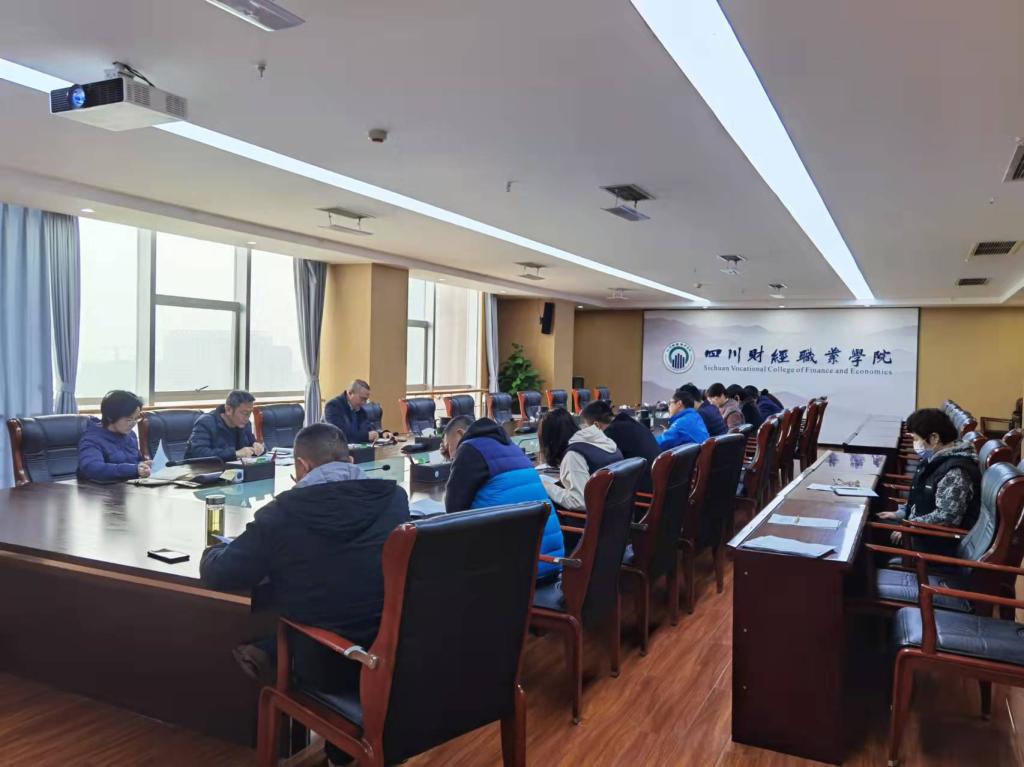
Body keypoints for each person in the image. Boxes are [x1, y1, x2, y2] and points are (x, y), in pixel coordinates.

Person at [200, 422, 409, 767]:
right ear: (349, 459)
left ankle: (273, 653)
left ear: (302, 466)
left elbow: (221, 573)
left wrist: (212, 549)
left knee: (292, 624)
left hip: (327, 664)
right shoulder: (393, 499)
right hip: (391, 652)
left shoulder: (283, 513)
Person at [442, 415, 565, 580]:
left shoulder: (469, 448)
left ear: (460, 433)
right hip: (550, 563)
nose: (450, 455)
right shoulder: (511, 447)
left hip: (514, 573)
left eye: (448, 446)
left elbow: (453, 512)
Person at [877, 408, 981, 555]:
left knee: (869, 532)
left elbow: (946, 517)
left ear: (934, 438)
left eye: (916, 439)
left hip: (934, 542)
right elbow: (921, 496)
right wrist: (900, 513)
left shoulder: (956, 471)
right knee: (875, 517)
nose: (915, 444)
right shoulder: (935, 459)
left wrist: (909, 527)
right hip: (920, 528)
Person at [537, 407, 623, 511]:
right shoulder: (605, 441)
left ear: (550, 439)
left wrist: (545, 486)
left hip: (592, 518)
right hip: (617, 513)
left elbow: (579, 502)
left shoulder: (574, 455)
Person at [583, 400, 661, 494]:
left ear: (596, 425)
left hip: (643, 493)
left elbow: (594, 466)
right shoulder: (630, 423)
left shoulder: (612, 432)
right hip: (656, 485)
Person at [78, 390, 151, 482]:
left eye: (136, 418)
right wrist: (134, 469)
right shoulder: (92, 439)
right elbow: (92, 468)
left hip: (128, 487)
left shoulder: (130, 435)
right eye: (129, 419)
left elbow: (135, 462)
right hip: (100, 489)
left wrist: (145, 465)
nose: (133, 423)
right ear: (110, 417)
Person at [185, 390, 264, 462]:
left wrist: (257, 447)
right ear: (229, 410)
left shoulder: (245, 424)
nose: (247, 418)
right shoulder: (206, 422)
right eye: (244, 413)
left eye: (250, 413)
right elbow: (198, 453)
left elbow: (251, 444)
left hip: (232, 469)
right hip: (203, 470)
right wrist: (235, 453)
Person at [323, 379, 388, 444]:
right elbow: (340, 436)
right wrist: (366, 436)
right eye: (362, 398)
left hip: (356, 449)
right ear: (350, 393)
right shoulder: (333, 407)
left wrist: (382, 434)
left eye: (366, 399)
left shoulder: (360, 410)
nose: (364, 403)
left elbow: (369, 428)